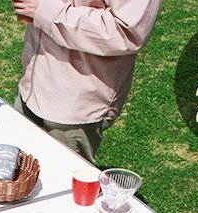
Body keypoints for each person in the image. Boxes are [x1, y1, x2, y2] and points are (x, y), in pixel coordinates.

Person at [12, 0, 162, 164]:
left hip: (73, 105)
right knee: (14, 168)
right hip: (31, 82)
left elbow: (126, 32)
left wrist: (45, 11)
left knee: (62, 174)